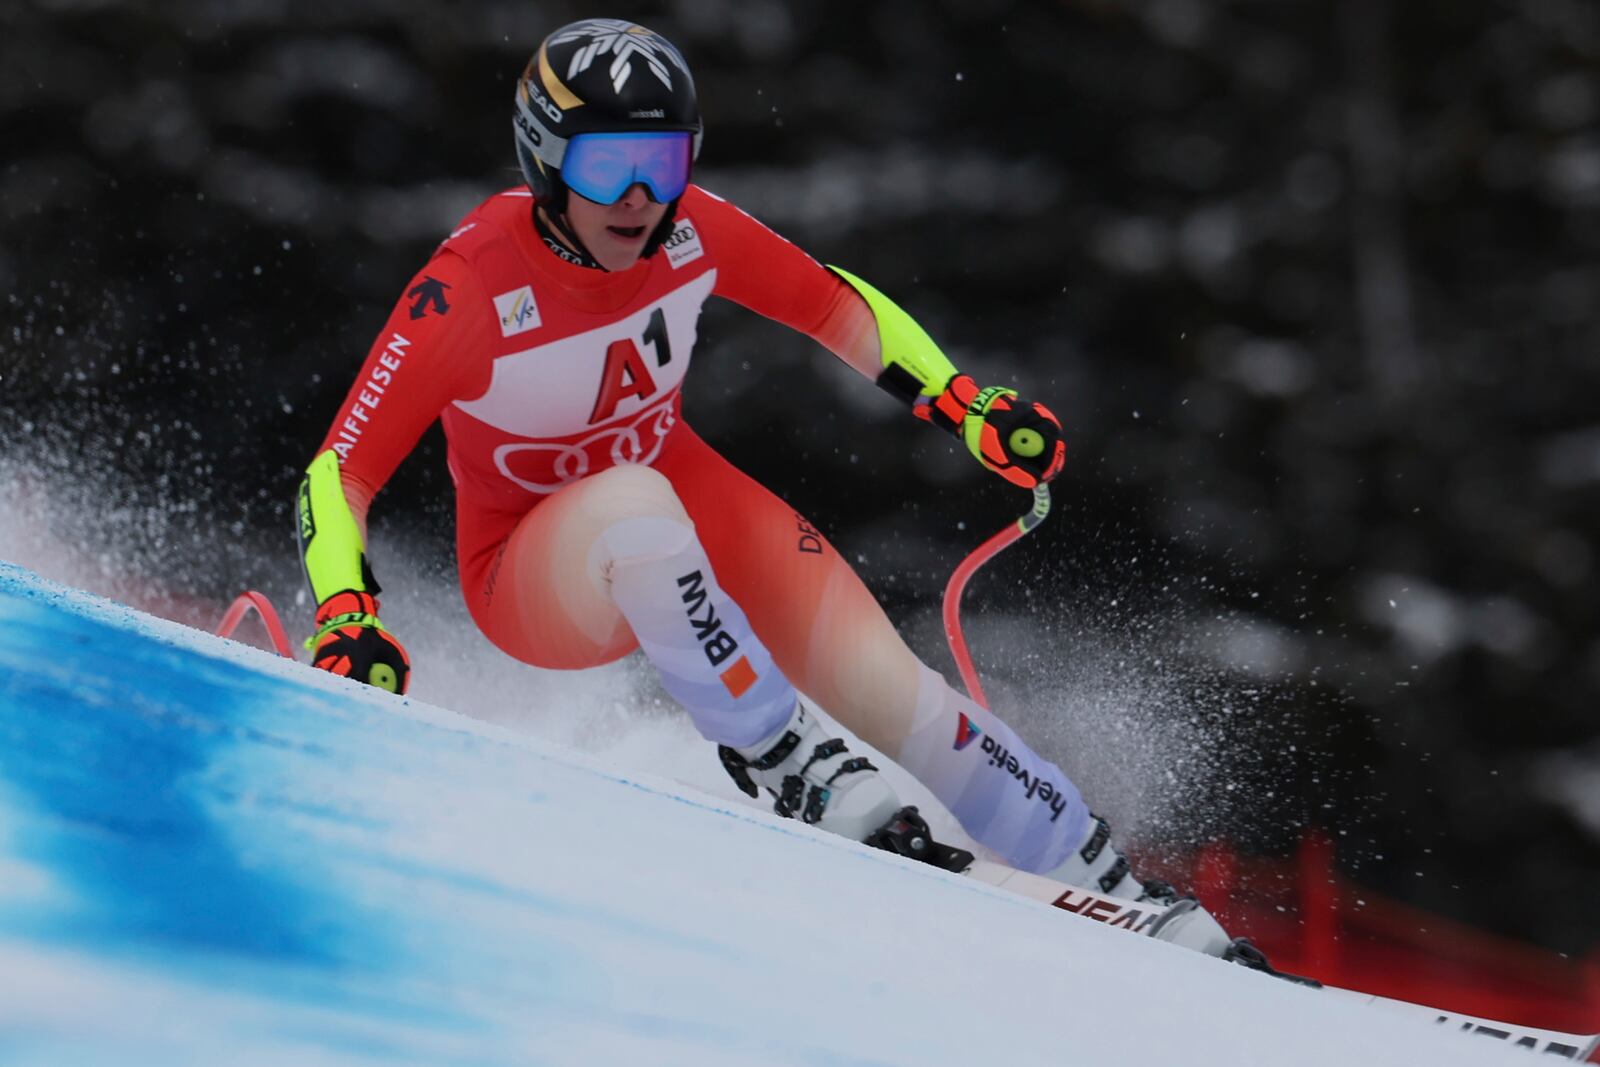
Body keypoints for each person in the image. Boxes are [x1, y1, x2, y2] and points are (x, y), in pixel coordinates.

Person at [296, 18, 1234, 957]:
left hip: (678, 503)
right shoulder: (469, 287)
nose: (636, 199)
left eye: (661, 165)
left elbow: (832, 302)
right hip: (533, 575)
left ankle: (1090, 862)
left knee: (893, 689)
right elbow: (338, 471)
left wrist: (962, 402)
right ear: (544, 159)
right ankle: (782, 754)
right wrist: (346, 611)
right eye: (606, 166)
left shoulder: (691, 231)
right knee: (632, 504)